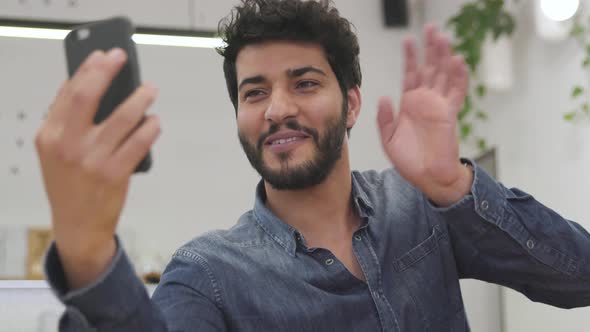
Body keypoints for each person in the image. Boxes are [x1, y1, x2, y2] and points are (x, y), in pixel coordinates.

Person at [35, 0, 590, 331]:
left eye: (304, 83)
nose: (278, 109)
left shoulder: (419, 207)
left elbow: (578, 277)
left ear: (350, 102)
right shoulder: (208, 273)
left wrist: (452, 185)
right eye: (254, 93)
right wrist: (87, 257)